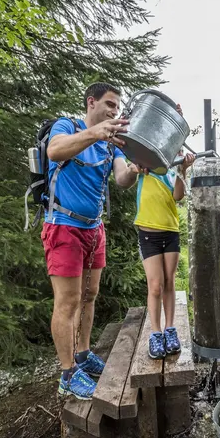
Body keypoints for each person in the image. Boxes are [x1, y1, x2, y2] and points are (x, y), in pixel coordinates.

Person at [43, 82, 145, 400]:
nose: (114, 111)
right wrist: (95, 132)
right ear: (92, 103)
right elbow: (54, 150)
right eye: (110, 105)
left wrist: (136, 169)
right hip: (63, 226)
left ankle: (84, 355)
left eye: (117, 107)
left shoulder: (110, 145)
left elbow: (121, 180)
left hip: (93, 229)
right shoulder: (68, 126)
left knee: (89, 296)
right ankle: (68, 373)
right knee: (68, 302)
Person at [134, 111, 195, 359]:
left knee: (169, 282)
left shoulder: (174, 165)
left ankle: (171, 329)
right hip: (148, 232)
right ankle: (155, 332)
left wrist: (184, 169)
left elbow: (178, 196)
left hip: (170, 230)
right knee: (155, 286)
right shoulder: (146, 160)